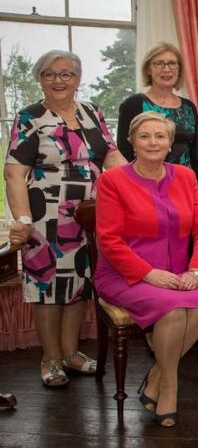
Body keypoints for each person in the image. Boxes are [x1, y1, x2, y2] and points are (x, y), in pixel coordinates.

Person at [5, 50, 127, 388]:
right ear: (39, 79)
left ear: (78, 78)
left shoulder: (92, 112)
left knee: (78, 285)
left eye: (66, 74)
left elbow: (112, 155)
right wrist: (23, 217)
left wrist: (134, 184)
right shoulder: (30, 116)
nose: (58, 80)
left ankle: (72, 353)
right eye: (49, 74)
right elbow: (14, 173)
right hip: (45, 217)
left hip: (89, 216)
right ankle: (52, 358)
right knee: (47, 285)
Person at [94, 111, 198, 427]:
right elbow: (109, 240)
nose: (152, 142)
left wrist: (197, 270)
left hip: (177, 273)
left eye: (160, 136)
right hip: (124, 274)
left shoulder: (185, 177)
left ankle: (158, 374)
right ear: (131, 142)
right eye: (144, 136)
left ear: (170, 143)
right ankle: (170, 389)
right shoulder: (113, 180)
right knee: (174, 312)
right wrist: (149, 273)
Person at [117, 42, 198, 185]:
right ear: (149, 69)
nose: (167, 69)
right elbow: (124, 151)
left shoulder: (189, 107)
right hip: (144, 183)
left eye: (172, 63)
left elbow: (197, 154)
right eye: (159, 63)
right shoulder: (133, 104)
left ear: (179, 69)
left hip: (185, 185)